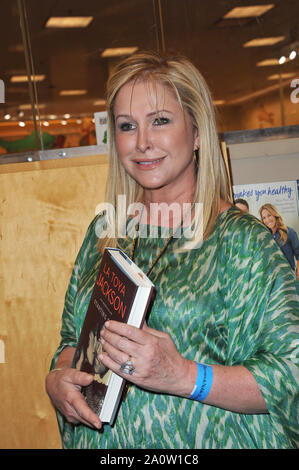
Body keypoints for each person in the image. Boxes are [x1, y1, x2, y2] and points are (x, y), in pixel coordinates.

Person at [46, 51, 299, 449]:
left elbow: (291, 377)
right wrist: (59, 377)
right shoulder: (105, 231)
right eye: (128, 126)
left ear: (197, 133)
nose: (143, 142)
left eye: (160, 121)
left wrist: (182, 375)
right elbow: (69, 339)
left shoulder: (240, 242)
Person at [260, 203, 299, 279]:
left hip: (289, 277)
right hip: (272, 279)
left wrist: (298, 275)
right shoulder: (265, 237)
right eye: (264, 218)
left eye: (269, 215)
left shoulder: (289, 232)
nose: (267, 220)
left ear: (275, 215)